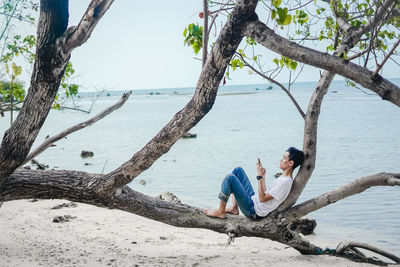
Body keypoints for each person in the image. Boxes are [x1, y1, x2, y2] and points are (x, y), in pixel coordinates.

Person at [204, 147, 304, 219]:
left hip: (253, 211)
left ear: (291, 163)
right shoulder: (283, 178)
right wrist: (263, 177)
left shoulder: (285, 182)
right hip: (254, 202)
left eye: (284, 158)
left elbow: (263, 198)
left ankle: (221, 211)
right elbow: (265, 194)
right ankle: (234, 208)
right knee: (238, 171)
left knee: (229, 178)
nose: (281, 160)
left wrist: (259, 176)